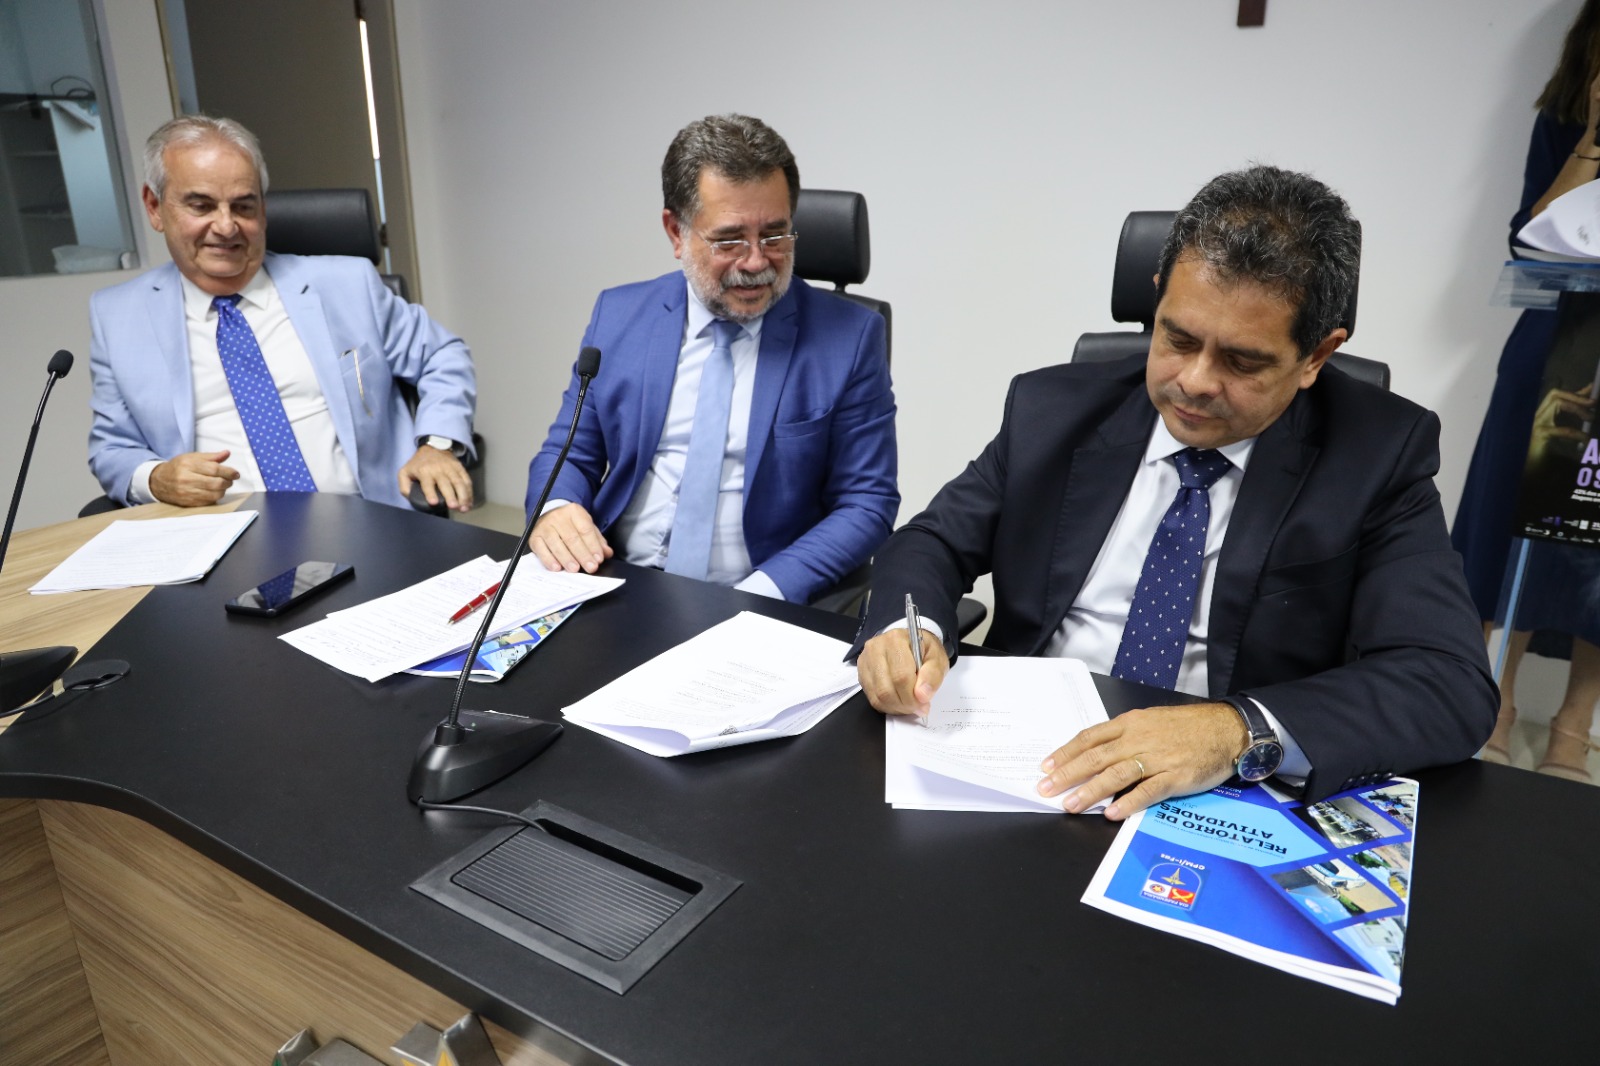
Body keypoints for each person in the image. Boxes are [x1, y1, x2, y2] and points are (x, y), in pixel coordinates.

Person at [853, 165, 1497, 818]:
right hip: (1026, 764)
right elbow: (933, 541)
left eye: (1242, 361)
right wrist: (910, 630)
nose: (1194, 381)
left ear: (1315, 357)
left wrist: (1235, 729)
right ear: (1158, 298)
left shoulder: (1377, 453)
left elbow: (1448, 682)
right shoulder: (1052, 410)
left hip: (1217, 789)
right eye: (1178, 339)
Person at [523, 114, 897, 605]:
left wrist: (761, 595)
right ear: (676, 232)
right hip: (613, 579)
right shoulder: (619, 316)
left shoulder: (848, 338)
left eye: (776, 235)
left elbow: (867, 503)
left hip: (757, 593)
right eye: (730, 239)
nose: (756, 261)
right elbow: (570, 451)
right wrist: (556, 508)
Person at [88, 116, 476, 512]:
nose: (226, 226)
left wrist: (437, 446)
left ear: (263, 209)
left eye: (243, 206)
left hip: (369, 518)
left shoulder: (347, 284)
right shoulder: (117, 316)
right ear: (154, 207)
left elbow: (441, 355)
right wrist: (156, 478)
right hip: (220, 531)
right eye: (201, 206)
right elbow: (111, 448)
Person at [1452, 0, 1600, 781]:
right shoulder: (1566, 116)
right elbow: (1529, 238)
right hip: (1555, 345)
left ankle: (1574, 729)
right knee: (1511, 526)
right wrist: (1594, 136)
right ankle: (1496, 709)